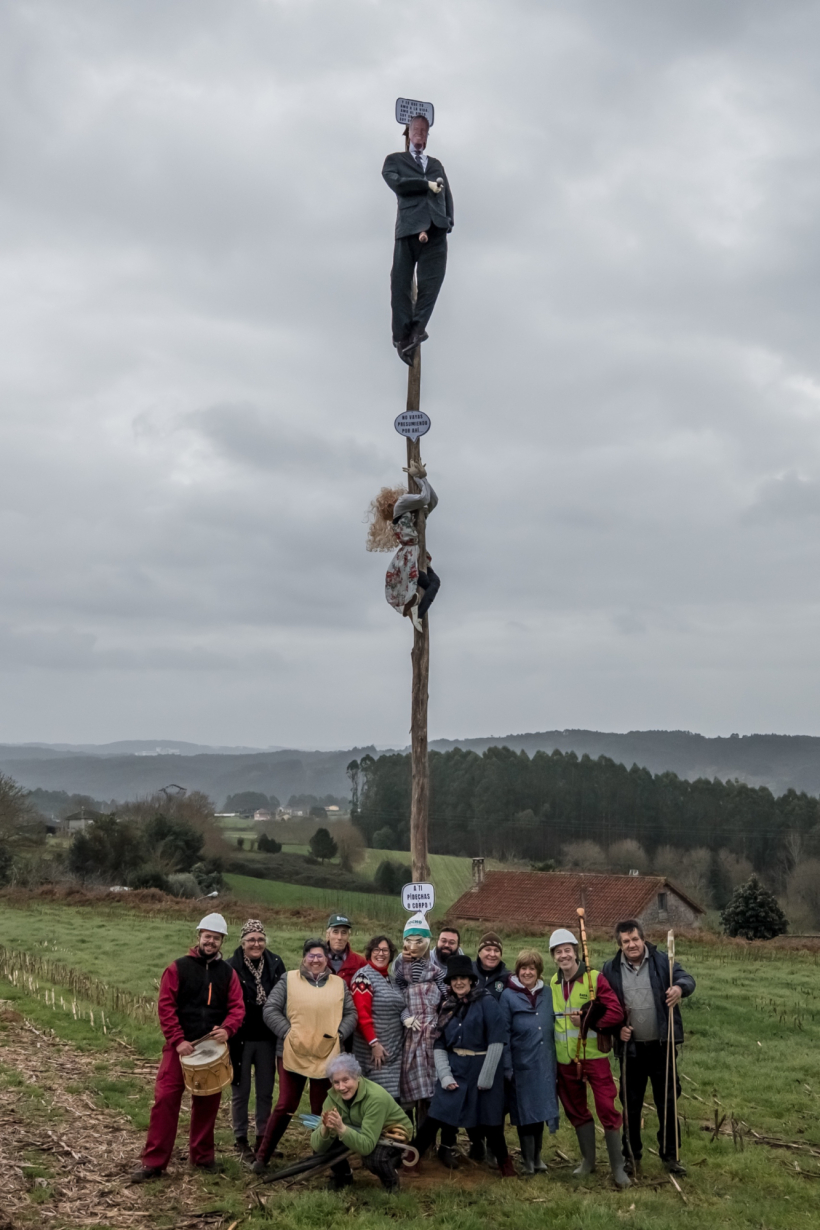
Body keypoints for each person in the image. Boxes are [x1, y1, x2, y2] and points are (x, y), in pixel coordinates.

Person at [132, 913, 245, 1182]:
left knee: (207, 1103)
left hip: (211, 1049)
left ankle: (203, 1158)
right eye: (207, 936)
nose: (211, 941)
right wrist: (177, 1039)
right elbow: (166, 1006)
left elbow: (237, 1008)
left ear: (222, 941)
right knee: (165, 1101)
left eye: (216, 938)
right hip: (179, 1047)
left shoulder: (228, 974)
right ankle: (154, 1163)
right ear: (199, 937)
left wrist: (227, 1028)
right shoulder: (177, 968)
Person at [601, 919, 696, 1177]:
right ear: (619, 945)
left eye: (635, 939)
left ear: (643, 939)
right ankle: (631, 1157)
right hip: (631, 1051)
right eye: (625, 941)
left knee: (667, 1103)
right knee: (630, 1105)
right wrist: (616, 1029)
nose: (631, 945)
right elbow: (604, 1007)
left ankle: (671, 1157)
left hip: (662, 1048)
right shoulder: (609, 970)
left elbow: (687, 978)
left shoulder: (662, 962)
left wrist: (679, 987)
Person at [253, 938, 357, 1170]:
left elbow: (351, 1013)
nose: (316, 960)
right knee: (286, 1104)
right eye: (311, 955)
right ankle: (262, 1156)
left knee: (322, 1109)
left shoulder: (339, 984)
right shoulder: (288, 980)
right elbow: (270, 1009)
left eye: (320, 955)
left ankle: (320, 1156)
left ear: (327, 959)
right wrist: (288, 1032)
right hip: (292, 1052)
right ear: (304, 958)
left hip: (326, 1053)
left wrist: (339, 1034)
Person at [412, 955, 515, 1178]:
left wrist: (486, 1077)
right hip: (456, 1067)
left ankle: (506, 1165)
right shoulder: (448, 1006)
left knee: (492, 1122)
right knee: (436, 1115)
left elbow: (497, 1040)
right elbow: (439, 1043)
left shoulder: (487, 1002)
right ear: (449, 982)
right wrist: (445, 1075)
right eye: (454, 979)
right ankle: (411, 1158)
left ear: (471, 980)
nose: (459, 982)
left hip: (483, 1067)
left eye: (463, 978)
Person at [549, 928, 630, 1189]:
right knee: (575, 1109)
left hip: (594, 1057)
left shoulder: (595, 979)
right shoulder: (552, 983)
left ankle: (618, 1168)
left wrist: (587, 1021)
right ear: (553, 957)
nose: (564, 956)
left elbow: (615, 1014)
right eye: (558, 952)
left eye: (567, 950)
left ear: (575, 952)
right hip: (566, 1060)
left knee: (607, 1107)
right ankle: (588, 1161)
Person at [382, 112, 454, 364]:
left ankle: (416, 330)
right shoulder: (394, 161)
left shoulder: (436, 164)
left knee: (432, 283)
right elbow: (398, 184)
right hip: (410, 227)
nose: (420, 135)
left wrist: (449, 221)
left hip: (436, 228)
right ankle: (401, 335)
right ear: (408, 133)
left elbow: (447, 193)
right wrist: (425, 185)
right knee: (400, 281)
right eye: (416, 130)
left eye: (424, 131)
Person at [310, 1054, 414, 1193]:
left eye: (346, 1080)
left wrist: (341, 1128)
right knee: (324, 1141)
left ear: (357, 1077)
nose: (341, 1087)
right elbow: (317, 1147)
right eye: (336, 1082)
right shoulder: (332, 1097)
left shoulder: (375, 1098)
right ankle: (343, 1175)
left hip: (393, 1131)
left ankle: (391, 1184)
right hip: (358, 1128)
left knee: (373, 1158)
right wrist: (324, 1129)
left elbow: (366, 1147)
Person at [227, 919, 286, 1158]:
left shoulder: (275, 963)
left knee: (265, 1091)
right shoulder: (231, 966)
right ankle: (240, 1138)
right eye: (251, 939)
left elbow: (284, 995)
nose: (256, 943)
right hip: (240, 1038)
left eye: (260, 939)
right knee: (240, 1092)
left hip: (267, 1037)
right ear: (243, 942)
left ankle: (263, 1137)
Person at [499, 948, 560, 1175]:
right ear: (517, 970)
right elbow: (503, 1033)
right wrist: (507, 1066)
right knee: (525, 1112)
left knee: (541, 1109)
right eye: (523, 968)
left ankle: (537, 1157)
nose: (527, 972)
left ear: (538, 971)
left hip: (543, 1063)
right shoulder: (508, 995)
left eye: (531, 968)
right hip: (521, 1064)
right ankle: (527, 1160)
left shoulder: (548, 994)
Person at [367, 460, 440, 632]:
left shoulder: (413, 513)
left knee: (434, 582)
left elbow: (433, 500)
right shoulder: (401, 505)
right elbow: (425, 497)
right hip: (411, 556)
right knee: (430, 583)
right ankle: (416, 611)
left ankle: (415, 611)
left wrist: (423, 478)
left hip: (416, 554)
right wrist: (418, 478)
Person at [393, 913, 445, 1129]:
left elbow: (447, 998)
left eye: (419, 941)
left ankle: (427, 1143)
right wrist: (405, 1015)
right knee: (408, 1091)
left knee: (432, 1090)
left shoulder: (436, 973)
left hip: (431, 1039)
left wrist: (441, 1020)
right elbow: (395, 994)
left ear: (428, 942)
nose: (413, 946)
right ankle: (406, 1136)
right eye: (409, 941)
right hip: (408, 1039)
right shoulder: (399, 969)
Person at [351, 935, 412, 1099]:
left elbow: (402, 1006)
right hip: (376, 1053)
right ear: (370, 953)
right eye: (376, 950)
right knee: (381, 1100)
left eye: (385, 950)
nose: (381, 954)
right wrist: (374, 1043)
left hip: (395, 1052)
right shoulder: (363, 977)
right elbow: (361, 1015)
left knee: (395, 1104)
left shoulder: (391, 980)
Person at [325, 913, 367, 986]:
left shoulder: (361, 963)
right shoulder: (316, 960)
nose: (339, 937)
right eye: (335, 932)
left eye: (344, 933)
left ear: (348, 936)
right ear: (328, 935)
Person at [473, 932, 510, 1000]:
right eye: (488, 950)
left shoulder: (507, 977)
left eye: (496, 950)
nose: (492, 954)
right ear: (479, 953)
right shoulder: (468, 971)